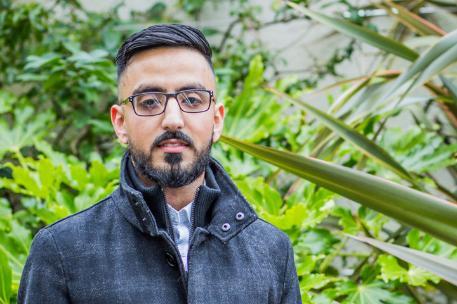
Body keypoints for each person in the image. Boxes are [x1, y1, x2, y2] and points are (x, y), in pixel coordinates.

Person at [18, 24, 301, 304]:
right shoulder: (62, 252)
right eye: (150, 102)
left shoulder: (271, 250)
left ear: (216, 120)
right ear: (120, 123)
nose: (173, 119)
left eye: (192, 99)